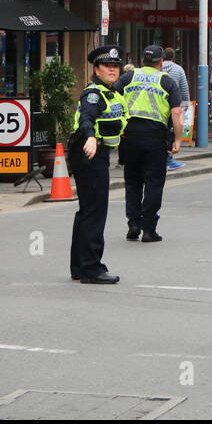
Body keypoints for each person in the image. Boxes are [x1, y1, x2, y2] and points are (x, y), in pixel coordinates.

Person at [67, 46, 127, 283]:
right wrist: (91, 136)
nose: (112, 70)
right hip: (90, 152)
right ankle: (92, 268)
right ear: (96, 69)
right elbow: (87, 117)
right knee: (95, 211)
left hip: (95, 152)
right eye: (107, 66)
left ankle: (79, 266)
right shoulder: (94, 93)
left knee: (87, 210)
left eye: (115, 66)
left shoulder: (111, 93)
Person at [116, 44, 182, 242]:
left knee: (133, 181)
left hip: (130, 137)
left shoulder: (128, 77)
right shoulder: (167, 82)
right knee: (154, 183)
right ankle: (148, 228)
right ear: (161, 63)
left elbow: (113, 98)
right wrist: (178, 140)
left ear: (142, 61)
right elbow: (177, 113)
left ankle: (133, 223)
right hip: (155, 138)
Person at [162, 47, 190, 171]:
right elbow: (184, 88)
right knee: (171, 132)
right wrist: (186, 102)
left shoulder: (157, 68)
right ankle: (169, 160)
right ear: (173, 57)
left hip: (158, 104)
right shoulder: (178, 69)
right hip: (173, 105)